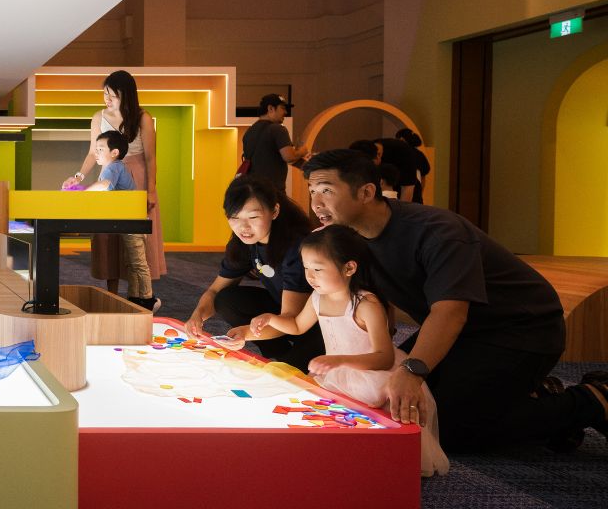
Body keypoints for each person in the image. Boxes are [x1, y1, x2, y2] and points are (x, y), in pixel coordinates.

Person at [302, 149, 608, 452]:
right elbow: (377, 302)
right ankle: (536, 401)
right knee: (387, 400)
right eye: (312, 190)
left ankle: (591, 399)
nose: (316, 203)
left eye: (327, 190)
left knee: (445, 426)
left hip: (519, 330)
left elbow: (451, 313)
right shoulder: (349, 239)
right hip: (461, 334)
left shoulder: (435, 231)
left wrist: (410, 372)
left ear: (366, 192)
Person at [251, 225, 450, 477]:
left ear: (349, 268)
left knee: (371, 402)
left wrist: (339, 360)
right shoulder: (317, 297)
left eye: (318, 269)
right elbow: (297, 326)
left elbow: (384, 357)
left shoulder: (366, 304)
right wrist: (271, 318)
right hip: (340, 371)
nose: (310, 276)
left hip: (373, 373)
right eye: (306, 268)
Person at [183, 175, 324, 372]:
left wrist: (246, 333)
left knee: (291, 375)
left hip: (313, 326)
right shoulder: (244, 242)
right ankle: (280, 353)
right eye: (235, 217)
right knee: (226, 299)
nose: (243, 227)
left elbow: (292, 318)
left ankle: (294, 357)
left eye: (253, 217)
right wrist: (197, 316)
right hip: (280, 313)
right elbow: (215, 291)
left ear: (274, 211)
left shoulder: (296, 247)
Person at [63, 70, 165, 294]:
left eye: (113, 95)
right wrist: (78, 176)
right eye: (105, 94)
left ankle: (138, 294)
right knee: (108, 236)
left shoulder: (142, 118)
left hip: (136, 179)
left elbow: (150, 158)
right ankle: (112, 292)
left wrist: (150, 191)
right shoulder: (98, 117)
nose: (107, 99)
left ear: (126, 95)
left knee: (135, 239)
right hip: (108, 178)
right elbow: (92, 153)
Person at [84, 130, 159, 312]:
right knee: (131, 262)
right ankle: (135, 297)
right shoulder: (115, 167)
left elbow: (105, 186)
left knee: (137, 262)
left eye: (101, 149)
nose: (96, 153)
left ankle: (148, 299)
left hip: (132, 221)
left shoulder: (113, 167)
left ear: (114, 152)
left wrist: (82, 192)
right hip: (129, 221)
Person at [241, 94, 309, 191]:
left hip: (253, 190)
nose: (285, 112)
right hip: (273, 191)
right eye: (282, 108)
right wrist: (302, 151)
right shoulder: (278, 129)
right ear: (271, 108)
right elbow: (289, 157)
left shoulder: (249, 132)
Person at [394, 129, 431, 204]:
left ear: (402, 139)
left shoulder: (399, 154)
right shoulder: (420, 154)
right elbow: (423, 178)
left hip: (400, 193)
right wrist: (420, 192)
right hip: (417, 195)